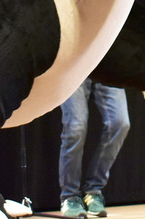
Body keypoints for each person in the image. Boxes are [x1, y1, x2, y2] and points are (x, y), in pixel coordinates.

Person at [58, 79, 131, 217]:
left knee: (120, 124)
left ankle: (93, 191)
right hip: (75, 66)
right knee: (75, 128)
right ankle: (70, 196)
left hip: (105, 65)